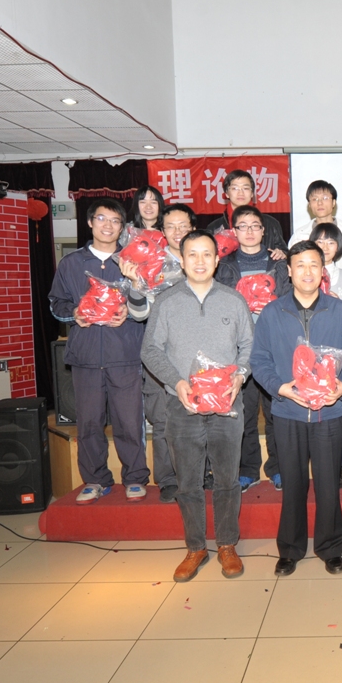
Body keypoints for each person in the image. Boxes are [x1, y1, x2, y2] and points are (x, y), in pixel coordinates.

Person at [140, 230, 254, 582]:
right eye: (192, 254)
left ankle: (227, 544)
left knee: (227, 478)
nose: (200, 261)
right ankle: (195, 547)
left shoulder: (234, 300)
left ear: (217, 259)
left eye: (207, 254)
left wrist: (240, 376)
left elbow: (249, 347)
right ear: (182, 259)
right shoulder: (167, 302)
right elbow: (150, 350)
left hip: (227, 404)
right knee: (188, 480)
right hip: (182, 405)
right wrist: (177, 383)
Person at [250, 241, 342, 576]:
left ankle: (330, 548)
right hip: (288, 412)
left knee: (329, 485)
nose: (307, 271)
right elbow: (259, 361)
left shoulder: (338, 310)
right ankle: (290, 549)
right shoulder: (272, 312)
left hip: (329, 413)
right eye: (300, 265)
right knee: (293, 485)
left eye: (314, 264)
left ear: (323, 270)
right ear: (289, 270)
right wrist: (279, 388)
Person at [48, 198, 151, 505]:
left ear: (122, 227)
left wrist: (129, 313)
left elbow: (150, 300)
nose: (108, 226)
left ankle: (135, 478)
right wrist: (75, 314)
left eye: (115, 221)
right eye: (102, 219)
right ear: (90, 222)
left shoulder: (134, 260)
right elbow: (56, 303)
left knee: (129, 421)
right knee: (89, 422)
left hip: (126, 354)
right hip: (87, 356)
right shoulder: (71, 263)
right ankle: (95, 480)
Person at [215, 204, 292, 491]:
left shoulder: (280, 263)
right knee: (244, 413)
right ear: (234, 231)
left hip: (274, 347)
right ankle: (247, 469)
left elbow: (289, 301)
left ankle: (279, 467)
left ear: (263, 230)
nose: (249, 231)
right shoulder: (223, 266)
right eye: (243, 226)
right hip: (238, 348)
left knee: (277, 411)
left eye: (255, 226)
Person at [139, 202, 196, 502]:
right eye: (171, 226)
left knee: (199, 415)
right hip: (160, 353)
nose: (177, 231)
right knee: (162, 419)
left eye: (183, 226)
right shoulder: (149, 265)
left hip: (196, 354)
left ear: (192, 228)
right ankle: (168, 479)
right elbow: (138, 312)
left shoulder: (202, 260)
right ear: (162, 231)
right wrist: (135, 284)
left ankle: (200, 473)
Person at [206, 169, 287, 259]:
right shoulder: (214, 228)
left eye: (245, 188)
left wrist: (282, 254)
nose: (241, 193)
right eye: (235, 188)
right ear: (226, 194)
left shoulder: (271, 223)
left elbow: (284, 252)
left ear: (252, 193)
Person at [290, 180, 342, 269]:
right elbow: (293, 266)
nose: (320, 203)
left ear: (333, 202)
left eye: (325, 198)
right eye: (315, 199)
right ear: (309, 205)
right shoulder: (299, 236)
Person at [310, 222, 342, 302]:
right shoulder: (304, 274)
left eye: (331, 243)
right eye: (320, 242)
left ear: (338, 246)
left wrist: (338, 304)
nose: (325, 248)